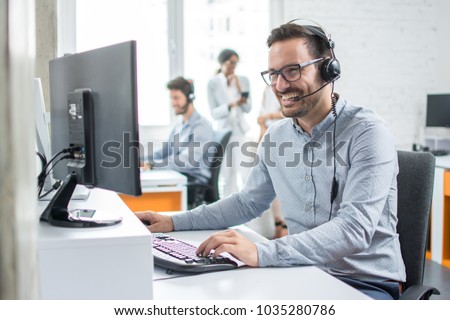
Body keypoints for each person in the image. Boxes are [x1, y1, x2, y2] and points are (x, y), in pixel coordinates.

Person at [137, 21, 406, 300]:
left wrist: (260, 251)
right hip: (303, 273)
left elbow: (354, 229)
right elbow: (247, 202)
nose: (279, 85)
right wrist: (172, 222)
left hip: (365, 284)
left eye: (292, 70)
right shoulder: (277, 136)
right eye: (273, 73)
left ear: (328, 69)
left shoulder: (367, 133)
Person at [143, 76, 213, 204]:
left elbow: (186, 161)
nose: (173, 103)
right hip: (178, 176)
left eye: (176, 98)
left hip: (193, 183)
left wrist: (152, 165)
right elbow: (164, 151)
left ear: (190, 98)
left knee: (148, 192)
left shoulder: (202, 127)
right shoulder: (179, 126)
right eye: (171, 98)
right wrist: (140, 159)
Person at [207, 49, 252, 197]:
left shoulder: (243, 80)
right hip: (224, 133)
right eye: (230, 63)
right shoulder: (213, 83)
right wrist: (231, 104)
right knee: (226, 174)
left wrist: (240, 89)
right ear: (222, 63)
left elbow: (247, 108)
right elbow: (214, 113)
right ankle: (225, 210)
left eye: (236, 63)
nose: (233, 66)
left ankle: (241, 211)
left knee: (244, 174)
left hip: (239, 132)